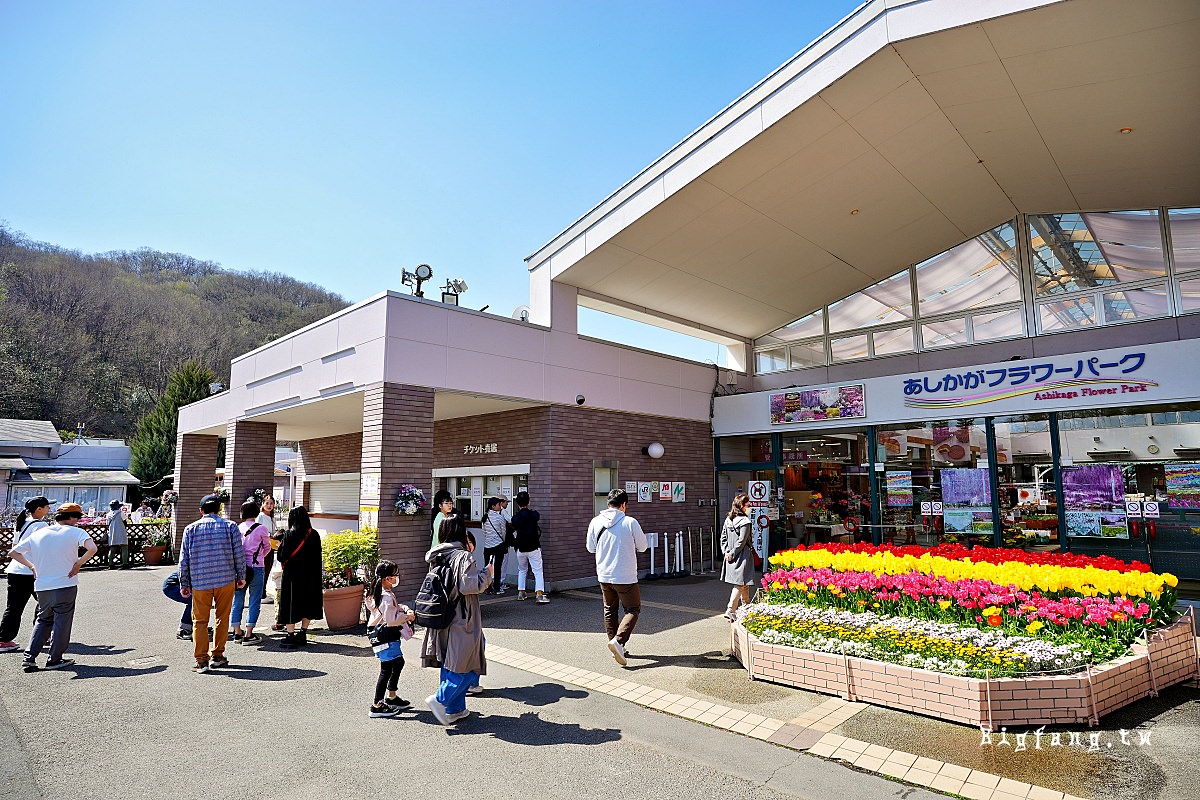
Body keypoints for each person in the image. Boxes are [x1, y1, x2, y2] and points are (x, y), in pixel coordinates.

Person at [8, 502, 98, 672]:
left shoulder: (41, 533)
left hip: (42, 585)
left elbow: (13, 553)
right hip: (65, 583)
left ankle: (29, 657)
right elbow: (92, 548)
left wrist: (32, 566)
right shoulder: (76, 532)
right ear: (72, 517)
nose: (78, 521)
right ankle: (54, 659)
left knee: (43, 620)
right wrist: (78, 564)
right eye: (77, 518)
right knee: (62, 621)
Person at [422, 513, 492, 725]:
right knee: (468, 663)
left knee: (449, 661)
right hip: (463, 617)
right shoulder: (463, 556)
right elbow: (469, 586)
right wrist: (487, 575)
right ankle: (441, 699)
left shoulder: (436, 555)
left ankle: (455, 709)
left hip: (441, 616)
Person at [178, 493, 246, 673]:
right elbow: (238, 554)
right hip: (225, 579)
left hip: (200, 581)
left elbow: (184, 559)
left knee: (199, 621)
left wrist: (184, 582)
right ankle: (218, 655)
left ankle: (201, 661)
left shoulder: (190, 529)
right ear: (219, 509)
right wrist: (241, 576)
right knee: (222, 618)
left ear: (201, 511)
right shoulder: (230, 526)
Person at [585, 488, 648, 667]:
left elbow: (590, 548)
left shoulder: (595, 522)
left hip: (604, 575)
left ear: (608, 504)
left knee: (610, 610)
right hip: (626, 575)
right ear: (624, 505)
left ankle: (616, 645)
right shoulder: (630, 522)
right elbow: (643, 546)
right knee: (632, 609)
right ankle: (618, 642)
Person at [0, 496, 52, 653]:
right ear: (39, 509)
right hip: (32, 570)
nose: (49, 509)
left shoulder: (21, 523)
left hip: (16, 569)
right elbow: (45, 548)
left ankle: (3, 639)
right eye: (47, 506)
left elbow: (15, 547)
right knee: (47, 602)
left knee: (14, 607)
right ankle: (42, 634)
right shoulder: (42, 525)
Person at [365, 560, 415, 717]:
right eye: (395, 575)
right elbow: (391, 619)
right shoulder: (385, 596)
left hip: (381, 635)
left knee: (398, 662)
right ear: (387, 578)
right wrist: (407, 616)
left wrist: (402, 609)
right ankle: (377, 705)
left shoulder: (378, 592)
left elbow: (389, 611)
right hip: (385, 636)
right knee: (386, 669)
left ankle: (391, 697)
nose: (397, 578)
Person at [277, 506, 323, 649]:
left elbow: (282, 556)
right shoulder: (314, 534)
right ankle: (303, 633)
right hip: (311, 575)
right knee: (307, 603)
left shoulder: (289, 535)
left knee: (290, 604)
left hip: (292, 576)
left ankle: (290, 635)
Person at [231, 500, 271, 644]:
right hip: (257, 567)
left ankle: (236, 632)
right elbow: (267, 547)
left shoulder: (237, 527)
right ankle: (249, 633)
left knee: (238, 599)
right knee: (254, 600)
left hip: (240, 568)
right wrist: (259, 556)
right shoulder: (262, 528)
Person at [720, 493, 755, 620]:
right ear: (741, 505)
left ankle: (747, 606)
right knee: (740, 583)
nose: (750, 507)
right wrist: (733, 553)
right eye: (748, 505)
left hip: (730, 555)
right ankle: (731, 609)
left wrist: (726, 553)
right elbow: (742, 541)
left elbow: (723, 538)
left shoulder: (728, 520)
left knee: (744, 581)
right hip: (742, 555)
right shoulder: (745, 521)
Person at [511, 491, 549, 604]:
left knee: (522, 570)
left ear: (517, 503)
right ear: (528, 502)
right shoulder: (534, 515)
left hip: (520, 547)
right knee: (537, 571)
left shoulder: (515, 518)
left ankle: (521, 592)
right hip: (533, 547)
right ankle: (539, 594)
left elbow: (514, 524)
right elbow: (536, 517)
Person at [481, 496, 508, 595]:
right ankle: (497, 588)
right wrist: (502, 541)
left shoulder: (484, 518)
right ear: (493, 506)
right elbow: (503, 532)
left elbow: (484, 532)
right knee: (497, 567)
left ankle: (487, 587)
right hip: (498, 545)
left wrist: (488, 540)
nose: (500, 506)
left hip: (487, 546)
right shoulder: (499, 517)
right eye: (498, 505)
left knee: (487, 567)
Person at [161, 570, 200, 640]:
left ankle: (197, 626)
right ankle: (184, 630)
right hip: (172, 586)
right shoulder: (197, 569)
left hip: (176, 584)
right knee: (194, 601)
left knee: (199, 601)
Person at [257, 493, 277, 600]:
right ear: (263, 504)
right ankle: (260, 591)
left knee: (268, 568)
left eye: (271, 503)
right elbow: (257, 529)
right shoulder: (261, 516)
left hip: (271, 546)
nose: (269, 505)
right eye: (267, 503)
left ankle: (263, 590)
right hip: (262, 547)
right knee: (263, 569)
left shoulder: (272, 518)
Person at [105, 500, 129, 569]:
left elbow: (107, 524)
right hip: (121, 531)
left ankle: (110, 564)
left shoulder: (108, 515)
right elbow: (125, 521)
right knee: (124, 547)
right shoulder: (121, 513)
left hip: (112, 532)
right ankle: (125, 563)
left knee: (112, 548)